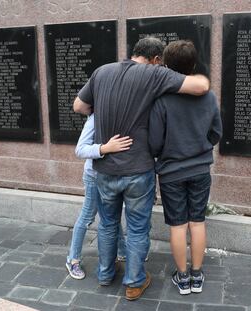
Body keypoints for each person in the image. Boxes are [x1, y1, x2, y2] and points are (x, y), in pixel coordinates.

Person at [73, 37, 210, 300]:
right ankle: (134, 282)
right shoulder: (154, 73)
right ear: (157, 59)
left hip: (104, 169)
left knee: (107, 223)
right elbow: (201, 85)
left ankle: (105, 273)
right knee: (136, 228)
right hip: (138, 170)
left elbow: (79, 106)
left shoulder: (102, 71)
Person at [148, 40, 222, 295]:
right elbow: (216, 133)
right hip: (200, 169)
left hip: (171, 172)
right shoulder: (208, 96)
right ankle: (197, 275)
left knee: (178, 225)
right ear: (193, 65)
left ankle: (182, 277)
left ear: (167, 66)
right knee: (197, 222)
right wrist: (200, 146)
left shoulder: (162, 99)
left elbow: (155, 142)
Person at [66, 113, 132, 279]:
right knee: (87, 216)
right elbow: (80, 149)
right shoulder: (96, 118)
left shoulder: (119, 113)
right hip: (95, 177)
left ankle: (122, 251)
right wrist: (105, 148)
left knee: (111, 216)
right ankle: (72, 259)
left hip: (113, 176)